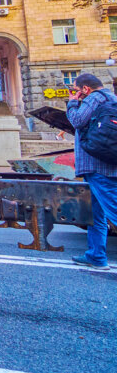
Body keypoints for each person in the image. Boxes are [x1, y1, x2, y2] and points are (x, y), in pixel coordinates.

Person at [67, 73, 117, 269]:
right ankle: (96, 256)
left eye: (75, 90)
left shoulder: (94, 98)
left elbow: (77, 120)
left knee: (113, 210)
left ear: (85, 89)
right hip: (109, 162)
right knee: (96, 213)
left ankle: (96, 256)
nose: (75, 93)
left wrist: (72, 103)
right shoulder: (112, 98)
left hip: (97, 166)